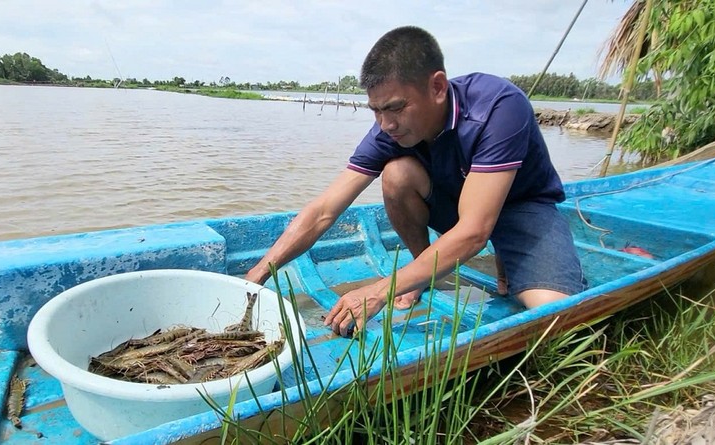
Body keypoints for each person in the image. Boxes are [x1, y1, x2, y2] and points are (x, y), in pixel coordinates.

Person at [245, 26, 586, 337]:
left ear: (437, 87)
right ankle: (426, 271)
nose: (385, 124)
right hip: (459, 201)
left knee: (552, 312)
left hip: (519, 207)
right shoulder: (389, 130)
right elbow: (324, 210)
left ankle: (475, 261)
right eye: (376, 111)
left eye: (394, 108)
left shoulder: (498, 107)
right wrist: (259, 274)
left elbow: (474, 232)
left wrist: (381, 290)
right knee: (397, 174)